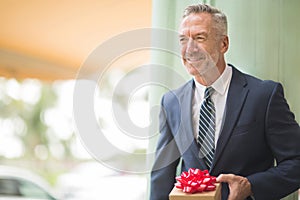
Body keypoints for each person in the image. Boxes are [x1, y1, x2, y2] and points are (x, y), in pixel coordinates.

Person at [150, 4, 300, 200]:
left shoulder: (264, 95)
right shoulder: (171, 102)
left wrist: (251, 186)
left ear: (224, 44)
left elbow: (296, 162)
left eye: (199, 38)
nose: (189, 49)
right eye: (183, 40)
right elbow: (162, 177)